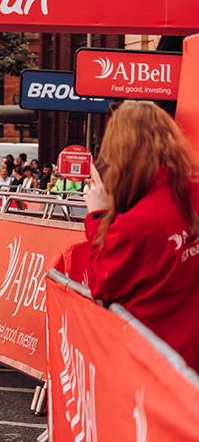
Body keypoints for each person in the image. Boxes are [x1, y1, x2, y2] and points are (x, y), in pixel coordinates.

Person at [83, 101, 199, 371]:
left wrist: (99, 217)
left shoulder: (136, 223)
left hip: (154, 359)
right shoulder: (190, 192)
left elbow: (103, 283)